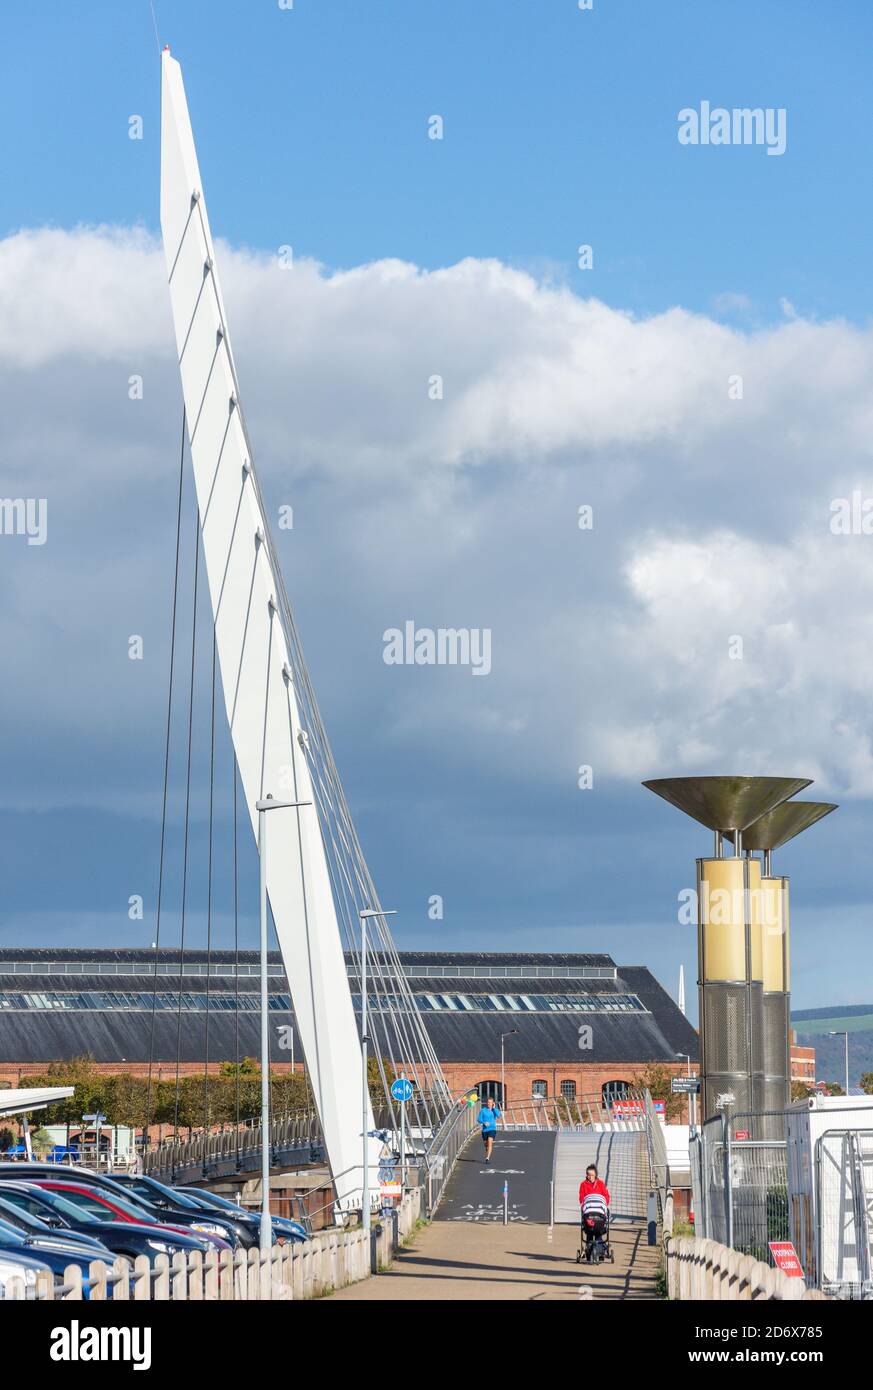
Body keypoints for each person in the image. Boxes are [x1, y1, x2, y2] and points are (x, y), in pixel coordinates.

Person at [578, 1163, 610, 1257]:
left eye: (592, 1175)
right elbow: (581, 1197)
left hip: (599, 1212)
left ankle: (600, 1250)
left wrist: (604, 1204)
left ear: (595, 1175)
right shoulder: (583, 1184)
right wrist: (583, 1205)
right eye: (588, 1174)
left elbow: (606, 1196)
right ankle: (588, 1249)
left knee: (598, 1229)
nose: (590, 1177)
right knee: (589, 1231)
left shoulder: (600, 1184)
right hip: (589, 1212)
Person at [477, 1095, 501, 1164]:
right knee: (486, 1144)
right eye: (488, 1102)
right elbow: (479, 1119)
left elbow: (499, 1116)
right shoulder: (483, 1110)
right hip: (485, 1130)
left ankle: (487, 1158)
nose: (489, 1104)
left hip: (492, 1129)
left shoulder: (494, 1110)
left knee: (490, 1142)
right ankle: (487, 1149)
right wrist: (484, 1122)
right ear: (486, 1103)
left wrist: (494, 1108)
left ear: (493, 1103)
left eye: (490, 1102)